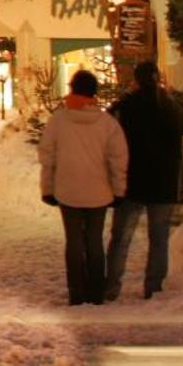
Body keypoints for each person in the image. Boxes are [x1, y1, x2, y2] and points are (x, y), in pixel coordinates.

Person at [39, 69, 128, 305]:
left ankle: (76, 292)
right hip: (99, 192)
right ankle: (96, 291)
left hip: (67, 191)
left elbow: (48, 156)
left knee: (74, 241)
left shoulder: (58, 121)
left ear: (72, 90)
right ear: (94, 94)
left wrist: (47, 188)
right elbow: (118, 159)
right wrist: (119, 190)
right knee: (95, 241)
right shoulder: (107, 123)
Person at [105, 61, 183, 300]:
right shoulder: (168, 106)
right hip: (163, 182)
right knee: (159, 239)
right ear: (157, 78)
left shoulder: (128, 105)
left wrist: (125, 96)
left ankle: (111, 287)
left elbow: (108, 120)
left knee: (121, 238)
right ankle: (154, 288)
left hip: (133, 181)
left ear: (137, 80)